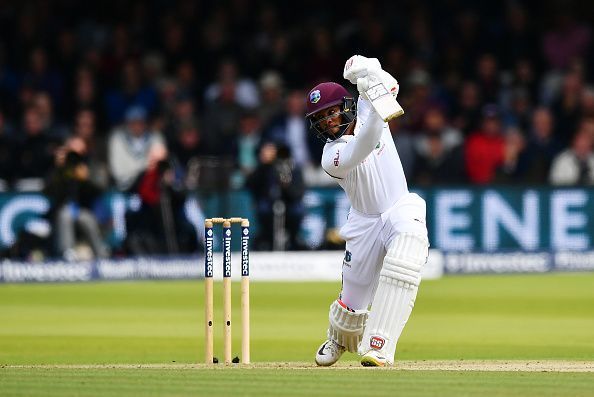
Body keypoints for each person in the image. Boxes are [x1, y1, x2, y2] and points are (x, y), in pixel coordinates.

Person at [305, 56, 429, 367]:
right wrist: (375, 98)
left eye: (332, 112)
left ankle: (380, 346)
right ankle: (339, 340)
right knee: (353, 302)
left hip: (399, 206)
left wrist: (369, 68)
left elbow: (391, 85)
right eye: (321, 118)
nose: (329, 121)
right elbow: (364, 143)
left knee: (406, 255)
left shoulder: (366, 107)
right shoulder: (330, 156)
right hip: (363, 223)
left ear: (345, 106)